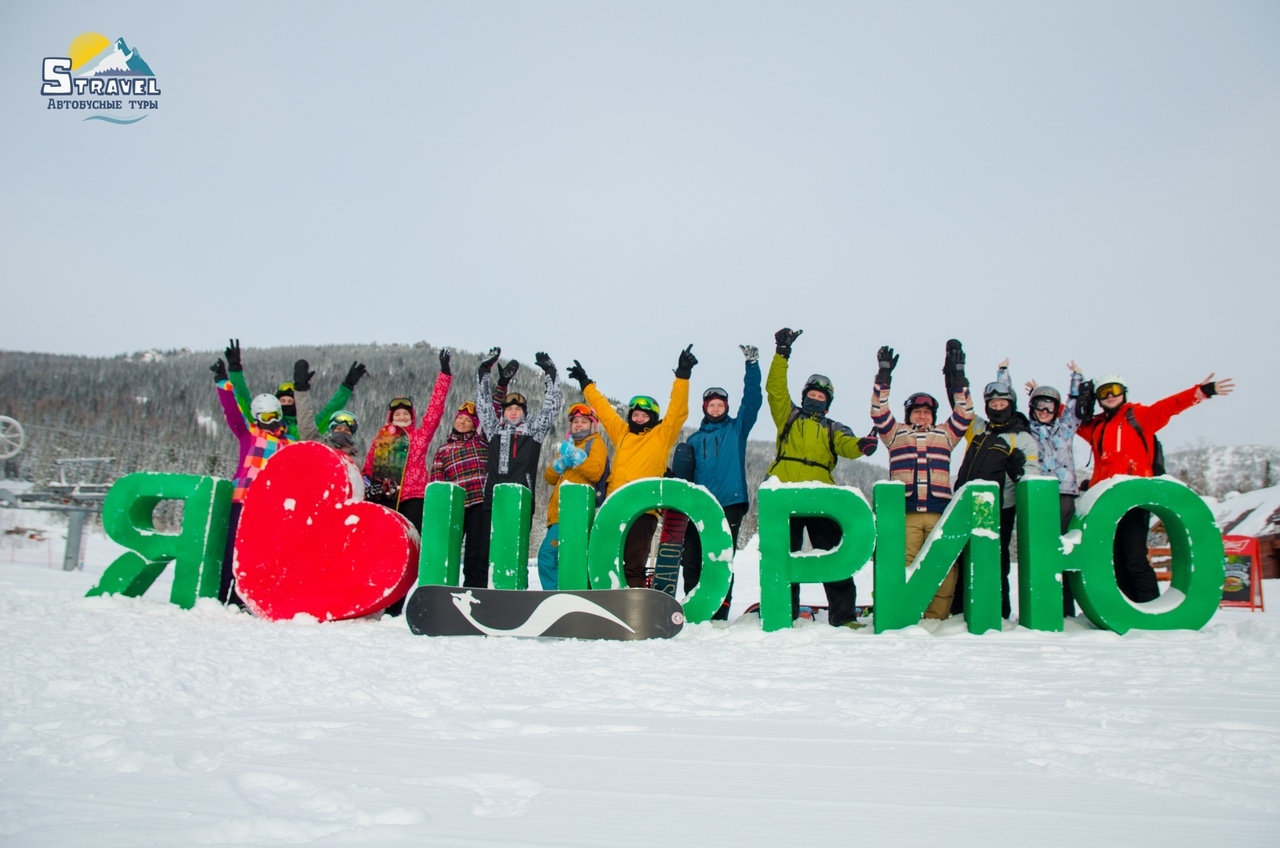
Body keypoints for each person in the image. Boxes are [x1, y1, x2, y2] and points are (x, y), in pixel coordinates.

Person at [1076, 371, 1235, 603]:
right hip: (1106, 501)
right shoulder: (1096, 427)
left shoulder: (1139, 416)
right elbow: (1064, 421)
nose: (1110, 395)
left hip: (1134, 497)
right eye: (1104, 392)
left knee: (1134, 557)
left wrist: (1201, 392)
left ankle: (1149, 605)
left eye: (1115, 390)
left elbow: (1170, 406)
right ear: (1097, 397)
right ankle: (1130, 609)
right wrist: (1046, 401)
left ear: (1124, 392)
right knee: (1117, 560)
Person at [766, 328, 878, 628]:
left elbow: (848, 445)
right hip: (785, 494)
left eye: (820, 397)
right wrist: (782, 354)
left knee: (833, 554)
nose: (815, 400)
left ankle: (843, 615)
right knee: (782, 556)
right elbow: (775, 390)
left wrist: (862, 446)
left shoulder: (833, 427)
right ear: (804, 397)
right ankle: (782, 612)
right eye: (811, 396)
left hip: (819, 496)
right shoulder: (788, 416)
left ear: (827, 403)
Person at [568, 345, 696, 588]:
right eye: (635, 414)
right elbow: (604, 411)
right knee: (606, 561)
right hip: (615, 507)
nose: (638, 418)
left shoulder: (661, 435)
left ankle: (635, 611)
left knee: (632, 564)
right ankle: (607, 605)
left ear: (653, 418)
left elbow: (678, 411)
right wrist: (586, 383)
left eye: (644, 415)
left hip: (642, 510)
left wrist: (682, 376)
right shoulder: (623, 434)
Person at [870, 340, 975, 620]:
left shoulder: (945, 435)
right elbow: (879, 412)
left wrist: (959, 375)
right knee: (907, 564)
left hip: (941, 513)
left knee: (944, 566)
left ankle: (935, 619)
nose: (922, 415)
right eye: (917, 411)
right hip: (907, 514)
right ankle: (909, 615)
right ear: (909, 414)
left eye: (927, 412)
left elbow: (965, 414)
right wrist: (884, 375)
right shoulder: (895, 434)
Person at [953, 359, 1041, 619]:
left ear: (1011, 407)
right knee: (962, 557)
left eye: (1003, 405)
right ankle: (959, 608)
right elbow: (960, 405)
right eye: (993, 405)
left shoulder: (1024, 438)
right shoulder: (978, 426)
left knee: (997, 559)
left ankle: (999, 611)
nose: (998, 408)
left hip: (1002, 506)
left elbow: (1032, 477)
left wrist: (1018, 470)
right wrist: (956, 371)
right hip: (967, 501)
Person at [681, 344, 763, 620]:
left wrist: (751, 366)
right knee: (692, 558)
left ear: (725, 407)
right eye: (711, 405)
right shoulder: (694, 440)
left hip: (729, 502)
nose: (716, 408)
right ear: (705, 408)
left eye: (720, 405)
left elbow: (752, 402)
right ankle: (695, 607)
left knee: (720, 558)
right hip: (699, 506)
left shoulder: (736, 429)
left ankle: (720, 609)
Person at [211, 357, 295, 606]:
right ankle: (217, 596)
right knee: (230, 551)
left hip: (267, 507)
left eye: (273, 416)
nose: (269, 421)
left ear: (279, 416)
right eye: (263, 417)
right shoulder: (249, 435)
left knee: (251, 554)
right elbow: (233, 411)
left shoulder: (288, 444)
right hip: (242, 500)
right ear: (257, 418)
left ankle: (240, 599)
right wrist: (223, 382)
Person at [476, 349, 563, 583]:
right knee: (487, 550)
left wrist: (550, 373)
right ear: (503, 412)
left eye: (518, 409)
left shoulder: (533, 431)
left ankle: (516, 590)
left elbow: (551, 407)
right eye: (509, 409)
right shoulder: (494, 430)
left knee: (516, 550)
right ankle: (485, 593)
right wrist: (484, 372)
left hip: (521, 498)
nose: (513, 412)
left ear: (524, 412)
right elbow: (483, 405)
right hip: (492, 497)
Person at [361, 349, 453, 532]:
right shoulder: (382, 438)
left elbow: (434, 411)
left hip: (414, 496)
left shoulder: (420, 435)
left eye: (405, 414)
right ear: (391, 416)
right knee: (387, 538)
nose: (402, 417)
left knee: (412, 535)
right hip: (386, 496)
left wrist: (444, 375)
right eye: (398, 414)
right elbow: (369, 468)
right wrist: (367, 488)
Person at [1021, 361, 1086, 616]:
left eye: (1050, 406)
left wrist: (1077, 377)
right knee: (1041, 550)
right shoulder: (1027, 430)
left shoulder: (1066, 427)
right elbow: (1005, 403)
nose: (1045, 410)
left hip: (1064, 494)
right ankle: (1041, 606)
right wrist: (1002, 373)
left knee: (1063, 550)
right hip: (1038, 495)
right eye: (1040, 405)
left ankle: (1066, 609)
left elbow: (1074, 406)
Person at [223, 338, 364, 439]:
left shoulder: (303, 429)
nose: (285, 404)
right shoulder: (261, 423)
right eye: (282, 401)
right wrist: (235, 369)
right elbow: (242, 400)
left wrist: (347, 386)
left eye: (289, 401)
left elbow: (330, 411)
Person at [538, 403, 609, 590]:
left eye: (584, 421)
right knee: (564, 556)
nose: (578, 424)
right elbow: (549, 477)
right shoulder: (567, 446)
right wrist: (560, 463)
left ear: (592, 424)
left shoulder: (596, 443)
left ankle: (553, 595)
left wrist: (579, 458)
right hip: (558, 513)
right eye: (575, 421)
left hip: (574, 512)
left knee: (547, 554)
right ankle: (566, 592)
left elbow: (595, 472)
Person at [430, 400, 491, 588]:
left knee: (476, 551)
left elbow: (492, 410)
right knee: (447, 549)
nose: (463, 422)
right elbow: (437, 481)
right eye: (460, 418)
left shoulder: (481, 441)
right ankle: (443, 587)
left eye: (468, 420)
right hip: (455, 506)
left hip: (478, 503)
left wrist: (500, 387)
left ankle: (474, 588)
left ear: (475, 424)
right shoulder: (443, 450)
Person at [292, 358, 361, 462]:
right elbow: (305, 421)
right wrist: (301, 390)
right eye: (338, 429)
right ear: (331, 431)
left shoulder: (355, 460)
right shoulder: (319, 445)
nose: (342, 433)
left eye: (347, 430)